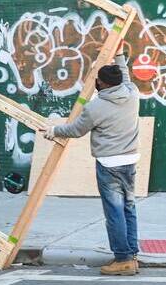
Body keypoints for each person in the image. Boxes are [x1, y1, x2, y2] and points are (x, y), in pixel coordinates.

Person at [41, 51, 140, 276]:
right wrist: (121, 57)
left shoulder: (95, 108)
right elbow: (125, 76)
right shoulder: (132, 93)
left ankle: (123, 259)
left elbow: (75, 130)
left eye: (99, 81)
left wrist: (53, 131)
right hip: (130, 160)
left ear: (103, 84)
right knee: (128, 208)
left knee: (114, 212)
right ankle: (132, 255)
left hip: (109, 164)